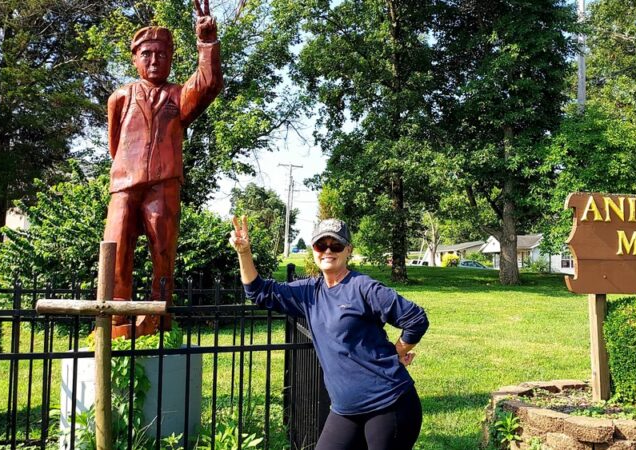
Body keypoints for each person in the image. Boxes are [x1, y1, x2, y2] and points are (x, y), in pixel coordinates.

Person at [229, 217, 429, 450]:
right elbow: (259, 292)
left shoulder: (363, 288)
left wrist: (398, 351)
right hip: (345, 410)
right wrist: (244, 252)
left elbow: (416, 319)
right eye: (320, 245)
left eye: (335, 245)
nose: (327, 251)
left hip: (389, 404)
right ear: (313, 249)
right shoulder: (309, 292)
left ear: (348, 251)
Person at [103, 0, 223, 338]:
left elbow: (208, 84)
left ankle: (161, 315)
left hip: (164, 184)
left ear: (170, 59)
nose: (154, 60)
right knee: (116, 246)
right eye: (147, 54)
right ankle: (114, 317)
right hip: (125, 184)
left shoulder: (177, 95)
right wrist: (129, 171)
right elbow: (115, 144)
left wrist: (207, 42)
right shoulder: (121, 96)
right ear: (135, 58)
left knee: (163, 252)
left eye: (162, 55)